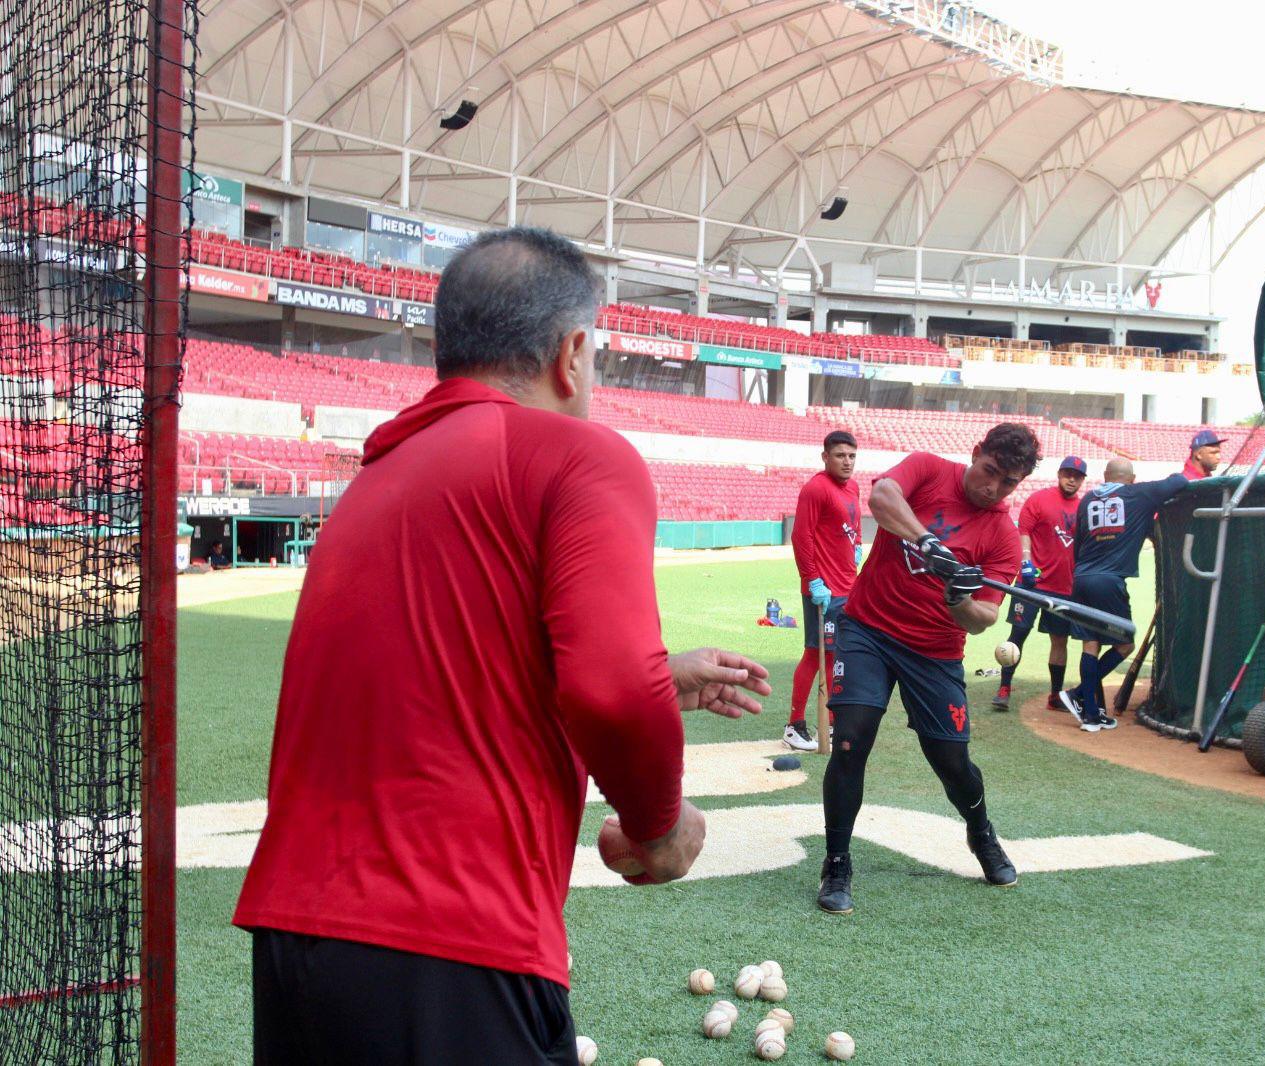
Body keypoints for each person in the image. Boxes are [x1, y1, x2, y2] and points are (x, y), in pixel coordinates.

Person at [233, 228, 771, 1066]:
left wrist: (663, 677)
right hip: (451, 944)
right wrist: (658, 827)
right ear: (573, 354)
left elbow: (446, 675)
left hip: (298, 946)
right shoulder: (577, 456)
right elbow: (611, 691)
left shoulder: (376, 477)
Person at [817, 424, 1041, 915]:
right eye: (990, 472)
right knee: (851, 738)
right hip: (867, 630)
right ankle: (836, 862)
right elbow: (883, 496)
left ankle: (981, 832)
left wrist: (957, 594)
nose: (995, 489)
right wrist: (929, 544)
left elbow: (983, 619)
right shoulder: (927, 470)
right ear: (976, 452)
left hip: (935, 652)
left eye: (1009, 483)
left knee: (952, 763)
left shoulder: (1003, 534)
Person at [1061, 460, 1188, 732]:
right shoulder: (1138, 493)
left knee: (1090, 644)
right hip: (1109, 581)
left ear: (1105, 476)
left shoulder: (1087, 500)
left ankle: (1092, 716)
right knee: (1124, 645)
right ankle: (1078, 695)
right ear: (1131, 478)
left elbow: (1079, 543)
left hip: (1082, 578)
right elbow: (1179, 482)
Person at [785, 430, 862, 751]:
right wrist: (813, 580)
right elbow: (801, 538)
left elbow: (854, 527)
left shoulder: (854, 487)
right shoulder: (815, 489)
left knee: (836, 655)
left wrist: (857, 547)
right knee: (814, 654)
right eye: (841, 455)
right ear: (825, 457)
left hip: (848, 586)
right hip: (823, 592)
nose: (847, 462)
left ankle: (829, 723)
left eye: (852, 456)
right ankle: (795, 725)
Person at [992, 455, 1088, 712]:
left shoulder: (1083, 508)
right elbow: (1024, 532)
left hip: (1065, 588)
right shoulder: (1039, 499)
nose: (1072, 479)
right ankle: (1004, 688)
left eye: (1077, 476)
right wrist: (1026, 561)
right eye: (1068, 473)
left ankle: (1055, 695)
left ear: (1082, 480)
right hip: (1031, 583)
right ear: (1059, 474)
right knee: (1018, 635)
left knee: (1060, 640)